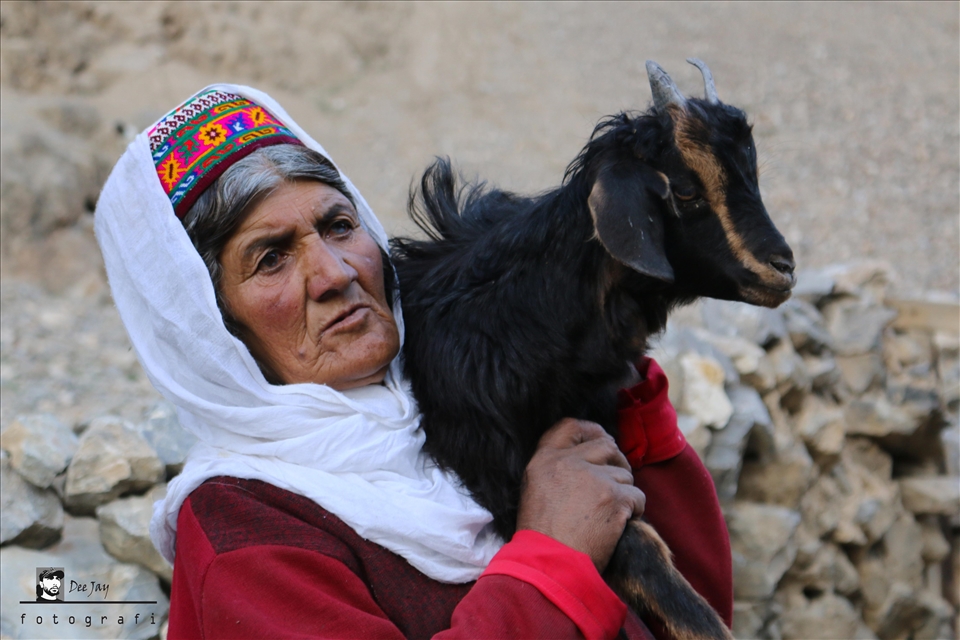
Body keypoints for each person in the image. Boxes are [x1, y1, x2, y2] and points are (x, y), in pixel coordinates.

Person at [95, 85, 732, 639]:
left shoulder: (465, 393)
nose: (336, 273)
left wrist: (621, 402)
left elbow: (691, 613)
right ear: (208, 327)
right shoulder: (248, 535)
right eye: (270, 258)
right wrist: (551, 563)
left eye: (339, 225)